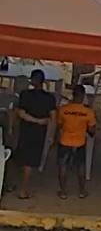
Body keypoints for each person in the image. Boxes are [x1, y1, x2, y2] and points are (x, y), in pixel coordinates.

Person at [14, 69, 57, 199]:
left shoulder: (25, 95)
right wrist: (51, 134)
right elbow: (53, 118)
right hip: (39, 133)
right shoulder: (50, 98)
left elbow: (21, 114)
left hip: (25, 130)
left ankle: (22, 186)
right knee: (30, 161)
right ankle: (23, 189)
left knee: (24, 159)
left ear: (32, 81)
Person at [56, 85, 96, 199]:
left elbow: (59, 125)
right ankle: (82, 191)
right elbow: (92, 130)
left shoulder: (64, 109)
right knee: (81, 167)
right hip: (80, 142)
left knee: (63, 166)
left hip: (65, 140)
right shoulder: (88, 112)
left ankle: (63, 192)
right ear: (83, 96)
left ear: (73, 95)